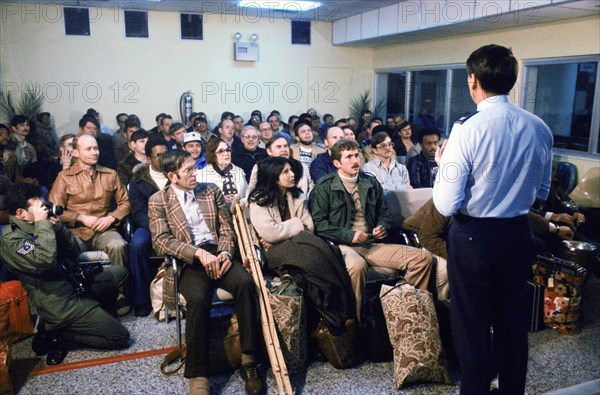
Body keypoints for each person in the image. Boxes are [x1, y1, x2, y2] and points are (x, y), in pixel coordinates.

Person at [432, 44, 553, 395]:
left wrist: (443, 167)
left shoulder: (467, 129)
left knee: (471, 327)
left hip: (474, 237)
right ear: (511, 80)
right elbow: (541, 191)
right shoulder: (539, 127)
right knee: (512, 325)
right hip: (518, 233)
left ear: (473, 80)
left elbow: (445, 202)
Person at [148, 150, 264, 395]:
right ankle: (198, 374)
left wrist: (223, 253)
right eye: (188, 170)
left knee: (245, 283)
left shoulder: (210, 190)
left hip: (217, 252)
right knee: (198, 299)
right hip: (188, 259)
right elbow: (160, 241)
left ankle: (249, 359)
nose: (194, 173)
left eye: (194, 167)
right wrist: (198, 254)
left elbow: (225, 229)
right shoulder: (158, 200)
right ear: (172, 176)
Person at [0, 183, 130, 365]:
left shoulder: (42, 225)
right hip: (59, 302)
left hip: (74, 283)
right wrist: (43, 225)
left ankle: (92, 313)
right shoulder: (12, 240)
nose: (44, 211)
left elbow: (74, 252)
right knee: (119, 337)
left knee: (121, 273)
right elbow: (44, 260)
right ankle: (61, 334)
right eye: (39, 208)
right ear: (21, 213)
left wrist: (59, 229)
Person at [309, 139, 436, 318]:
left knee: (422, 259)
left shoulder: (370, 183)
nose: (355, 161)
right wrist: (350, 235)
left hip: (370, 244)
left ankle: (403, 314)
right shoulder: (324, 187)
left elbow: (384, 214)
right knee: (357, 266)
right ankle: (355, 321)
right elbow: (320, 224)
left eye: (356, 155)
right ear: (337, 163)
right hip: (341, 246)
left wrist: (382, 227)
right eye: (348, 157)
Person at [249, 157, 356, 336]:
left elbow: (309, 227)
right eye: (286, 172)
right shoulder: (259, 200)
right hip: (274, 253)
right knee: (318, 256)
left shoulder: (296, 195)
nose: (292, 175)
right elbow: (271, 234)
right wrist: (295, 225)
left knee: (314, 271)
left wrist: (284, 231)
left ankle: (327, 322)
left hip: (300, 247)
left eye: (291, 170)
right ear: (273, 176)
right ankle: (337, 315)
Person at [49, 134, 130, 270]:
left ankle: (120, 290)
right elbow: (54, 210)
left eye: (96, 148)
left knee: (118, 245)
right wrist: (80, 218)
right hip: (75, 233)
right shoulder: (64, 177)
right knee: (65, 249)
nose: (94, 152)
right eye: (88, 149)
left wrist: (111, 218)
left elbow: (126, 203)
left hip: (105, 230)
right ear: (75, 152)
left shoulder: (110, 174)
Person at [127, 137, 169, 316]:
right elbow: (137, 212)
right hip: (148, 225)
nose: (163, 159)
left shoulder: (177, 174)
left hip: (176, 223)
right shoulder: (138, 181)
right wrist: (157, 227)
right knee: (137, 245)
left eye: (166, 154)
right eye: (158, 155)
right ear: (149, 158)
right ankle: (142, 300)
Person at [196, 138, 247, 205]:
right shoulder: (200, 175)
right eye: (221, 151)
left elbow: (247, 195)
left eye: (228, 150)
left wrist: (239, 201)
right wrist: (221, 199)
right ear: (212, 155)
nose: (226, 153)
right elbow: (200, 200)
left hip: (239, 211)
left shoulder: (239, 171)